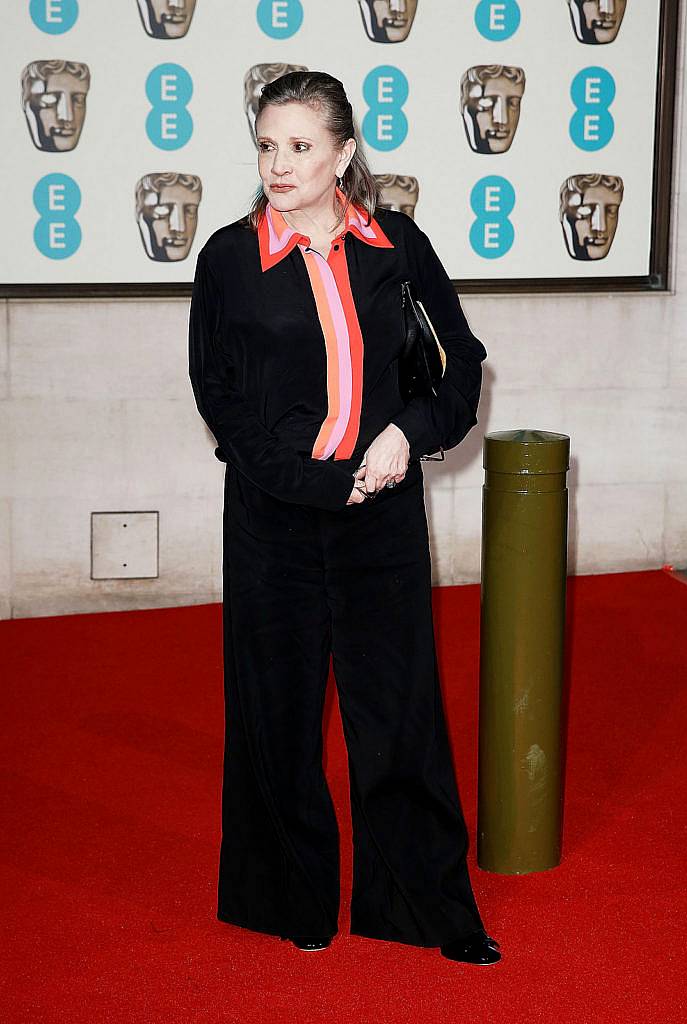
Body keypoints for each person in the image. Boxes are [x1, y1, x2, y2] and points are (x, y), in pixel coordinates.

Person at [188, 70, 500, 965]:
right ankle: (291, 900)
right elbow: (221, 401)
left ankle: (424, 908)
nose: (277, 165)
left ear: (343, 154)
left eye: (299, 147)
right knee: (277, 717)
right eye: (266, 145)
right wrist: (321, 486)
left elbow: (461, 366)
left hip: (383, 522)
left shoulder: (397, 245)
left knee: (398, 715)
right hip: (274, 519)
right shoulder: (226, 258)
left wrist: (410, 433)